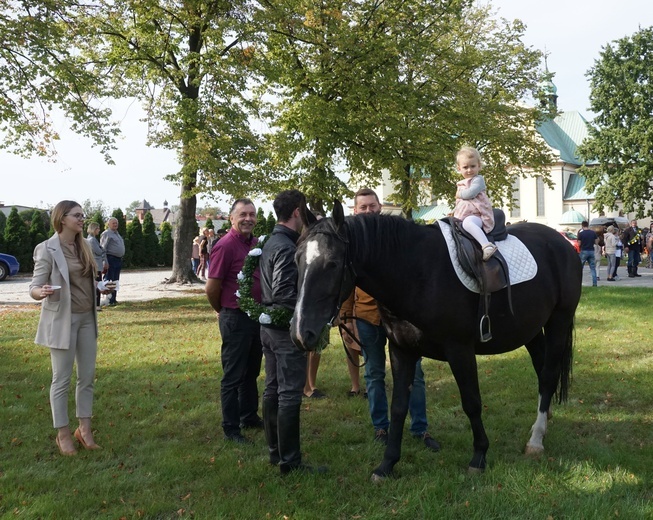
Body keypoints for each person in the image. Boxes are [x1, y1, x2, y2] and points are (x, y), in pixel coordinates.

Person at [340, 188, 440, 451]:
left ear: (380, 206)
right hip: (367, 316)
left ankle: (420, 427)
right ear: (355, 210)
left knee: (414, 374)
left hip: (400, 317)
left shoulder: (393, 238)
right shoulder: (354, 242)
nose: (368, 211)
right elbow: (347, 281)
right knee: (374, 373)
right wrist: (347, 318)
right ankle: (381, 427)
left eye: (372, 206)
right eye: (363, 207)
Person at [259, 189, 326, 474]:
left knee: (273, 388)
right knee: (288, 393)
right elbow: (284, 293)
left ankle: (276, 452)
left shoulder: (271, 241)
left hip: (267, 327)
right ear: (298, 211)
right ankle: (290, 461)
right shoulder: (286, 247)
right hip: (283, 329)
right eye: (305, 210)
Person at [29, 200, 102, 456]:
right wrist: (42, 292)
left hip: (87, 319)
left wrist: (100, 288)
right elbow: (34, 287)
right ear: (62, 219)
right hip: (62, 321)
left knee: (87, 377)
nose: (82, 219)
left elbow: (84, 282)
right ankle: (62, 433)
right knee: (61, 379)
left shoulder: (84, 246)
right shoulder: (47, 249)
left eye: (83, 215)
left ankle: (84, 429)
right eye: (77, 215)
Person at [206, 199, 263, 443]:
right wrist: (223, 310)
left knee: (251, 372)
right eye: (242, 214)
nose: (248, 218)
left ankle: (249, 415)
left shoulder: (256, 244)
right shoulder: (225, 246)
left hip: (255, 318)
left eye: (252, 214)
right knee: (233, 375)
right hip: (235, 317)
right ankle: (231, 427)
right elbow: (212, 287)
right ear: (231, 218)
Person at [453, 146, 497, 261]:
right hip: (462, 215)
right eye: (465, 167)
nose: (469, 170)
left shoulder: (478, 180)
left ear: (479, 166)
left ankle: (486, 245)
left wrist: (459, 194)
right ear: (459, 168)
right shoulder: (461, 184)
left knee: (468, 223)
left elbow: (470, 194)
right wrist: (453, 211)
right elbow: (460, 204)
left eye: (472, 166)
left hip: (477, 216)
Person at [100, 217, 125, 306]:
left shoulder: (117, 234)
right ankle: (107, 299)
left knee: (115, 280)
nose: (115, 225)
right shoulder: (106, 234)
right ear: (109, 224)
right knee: (109, 280)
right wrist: (105, 262)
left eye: (116, 223)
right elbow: (103, 248)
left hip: (117, 259)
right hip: (110, 259)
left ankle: (113, 299)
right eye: (113, 223)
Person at [86, 222, 108, 311]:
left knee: (98, 283)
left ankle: (96, 303)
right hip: (96, 265)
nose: (99, 230)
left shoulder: (94, 239)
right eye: (98, 228)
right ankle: (96, 304)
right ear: (94, 229)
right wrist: (102, 250)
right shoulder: (91, 240)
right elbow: (99, 251)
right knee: (98, 284)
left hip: (97, 264)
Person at [578, 221, 599, 286]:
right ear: (588, 225)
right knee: (593, 268)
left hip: (584, 251)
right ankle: (595, 283)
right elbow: (596, 241)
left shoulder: (581, 234)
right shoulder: (593, 233)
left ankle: (578, 283)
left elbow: (579, 243)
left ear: (582, 226)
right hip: (591, 251)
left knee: (580, 268)